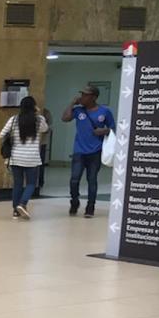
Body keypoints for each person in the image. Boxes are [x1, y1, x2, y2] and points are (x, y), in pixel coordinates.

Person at [61, 85, 113, 218]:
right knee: (74, 179)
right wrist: (72, 103)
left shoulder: (104, 111)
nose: (82, 97)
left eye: (86, 95)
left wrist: (105, 130)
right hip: (79, 151)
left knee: (92, 180)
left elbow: (113, 129)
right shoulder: (79, 111)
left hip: (95, 151)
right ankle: (74, 201)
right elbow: (65, 118)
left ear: (94, 97)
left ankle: (90, 207)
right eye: (82, 94)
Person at [0, 96, 49, 220]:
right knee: (31, 183)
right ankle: (22, 203)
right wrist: (37, 112)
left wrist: (11, 138)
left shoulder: (14, 120)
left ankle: (16, 211)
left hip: (16, 157)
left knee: (18, 184)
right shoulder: (39, 120)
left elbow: (1, 134)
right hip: (32, 157)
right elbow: (46, 129)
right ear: (34, 106)